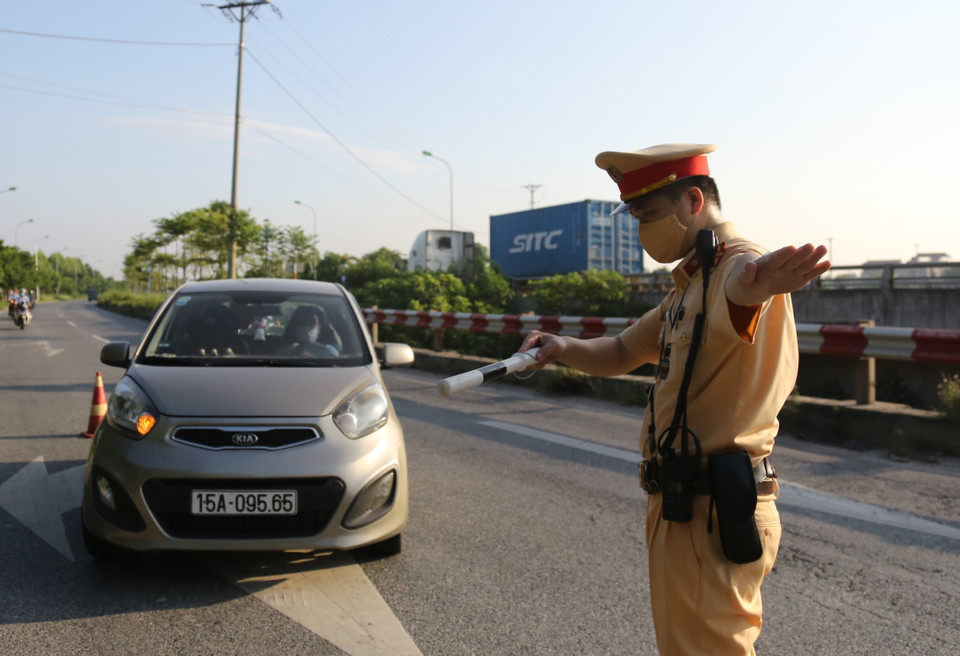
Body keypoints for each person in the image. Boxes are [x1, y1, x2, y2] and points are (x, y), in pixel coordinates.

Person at [519, 144, 830, 655]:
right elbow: (624, 349)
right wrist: (563, 348)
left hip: (713, 506)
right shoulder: (690, 281)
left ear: (692, 201)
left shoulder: (737, 265)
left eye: (648, 215)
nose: (642, 229)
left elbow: (744, 290)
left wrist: (758, 288)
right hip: (685, 505)